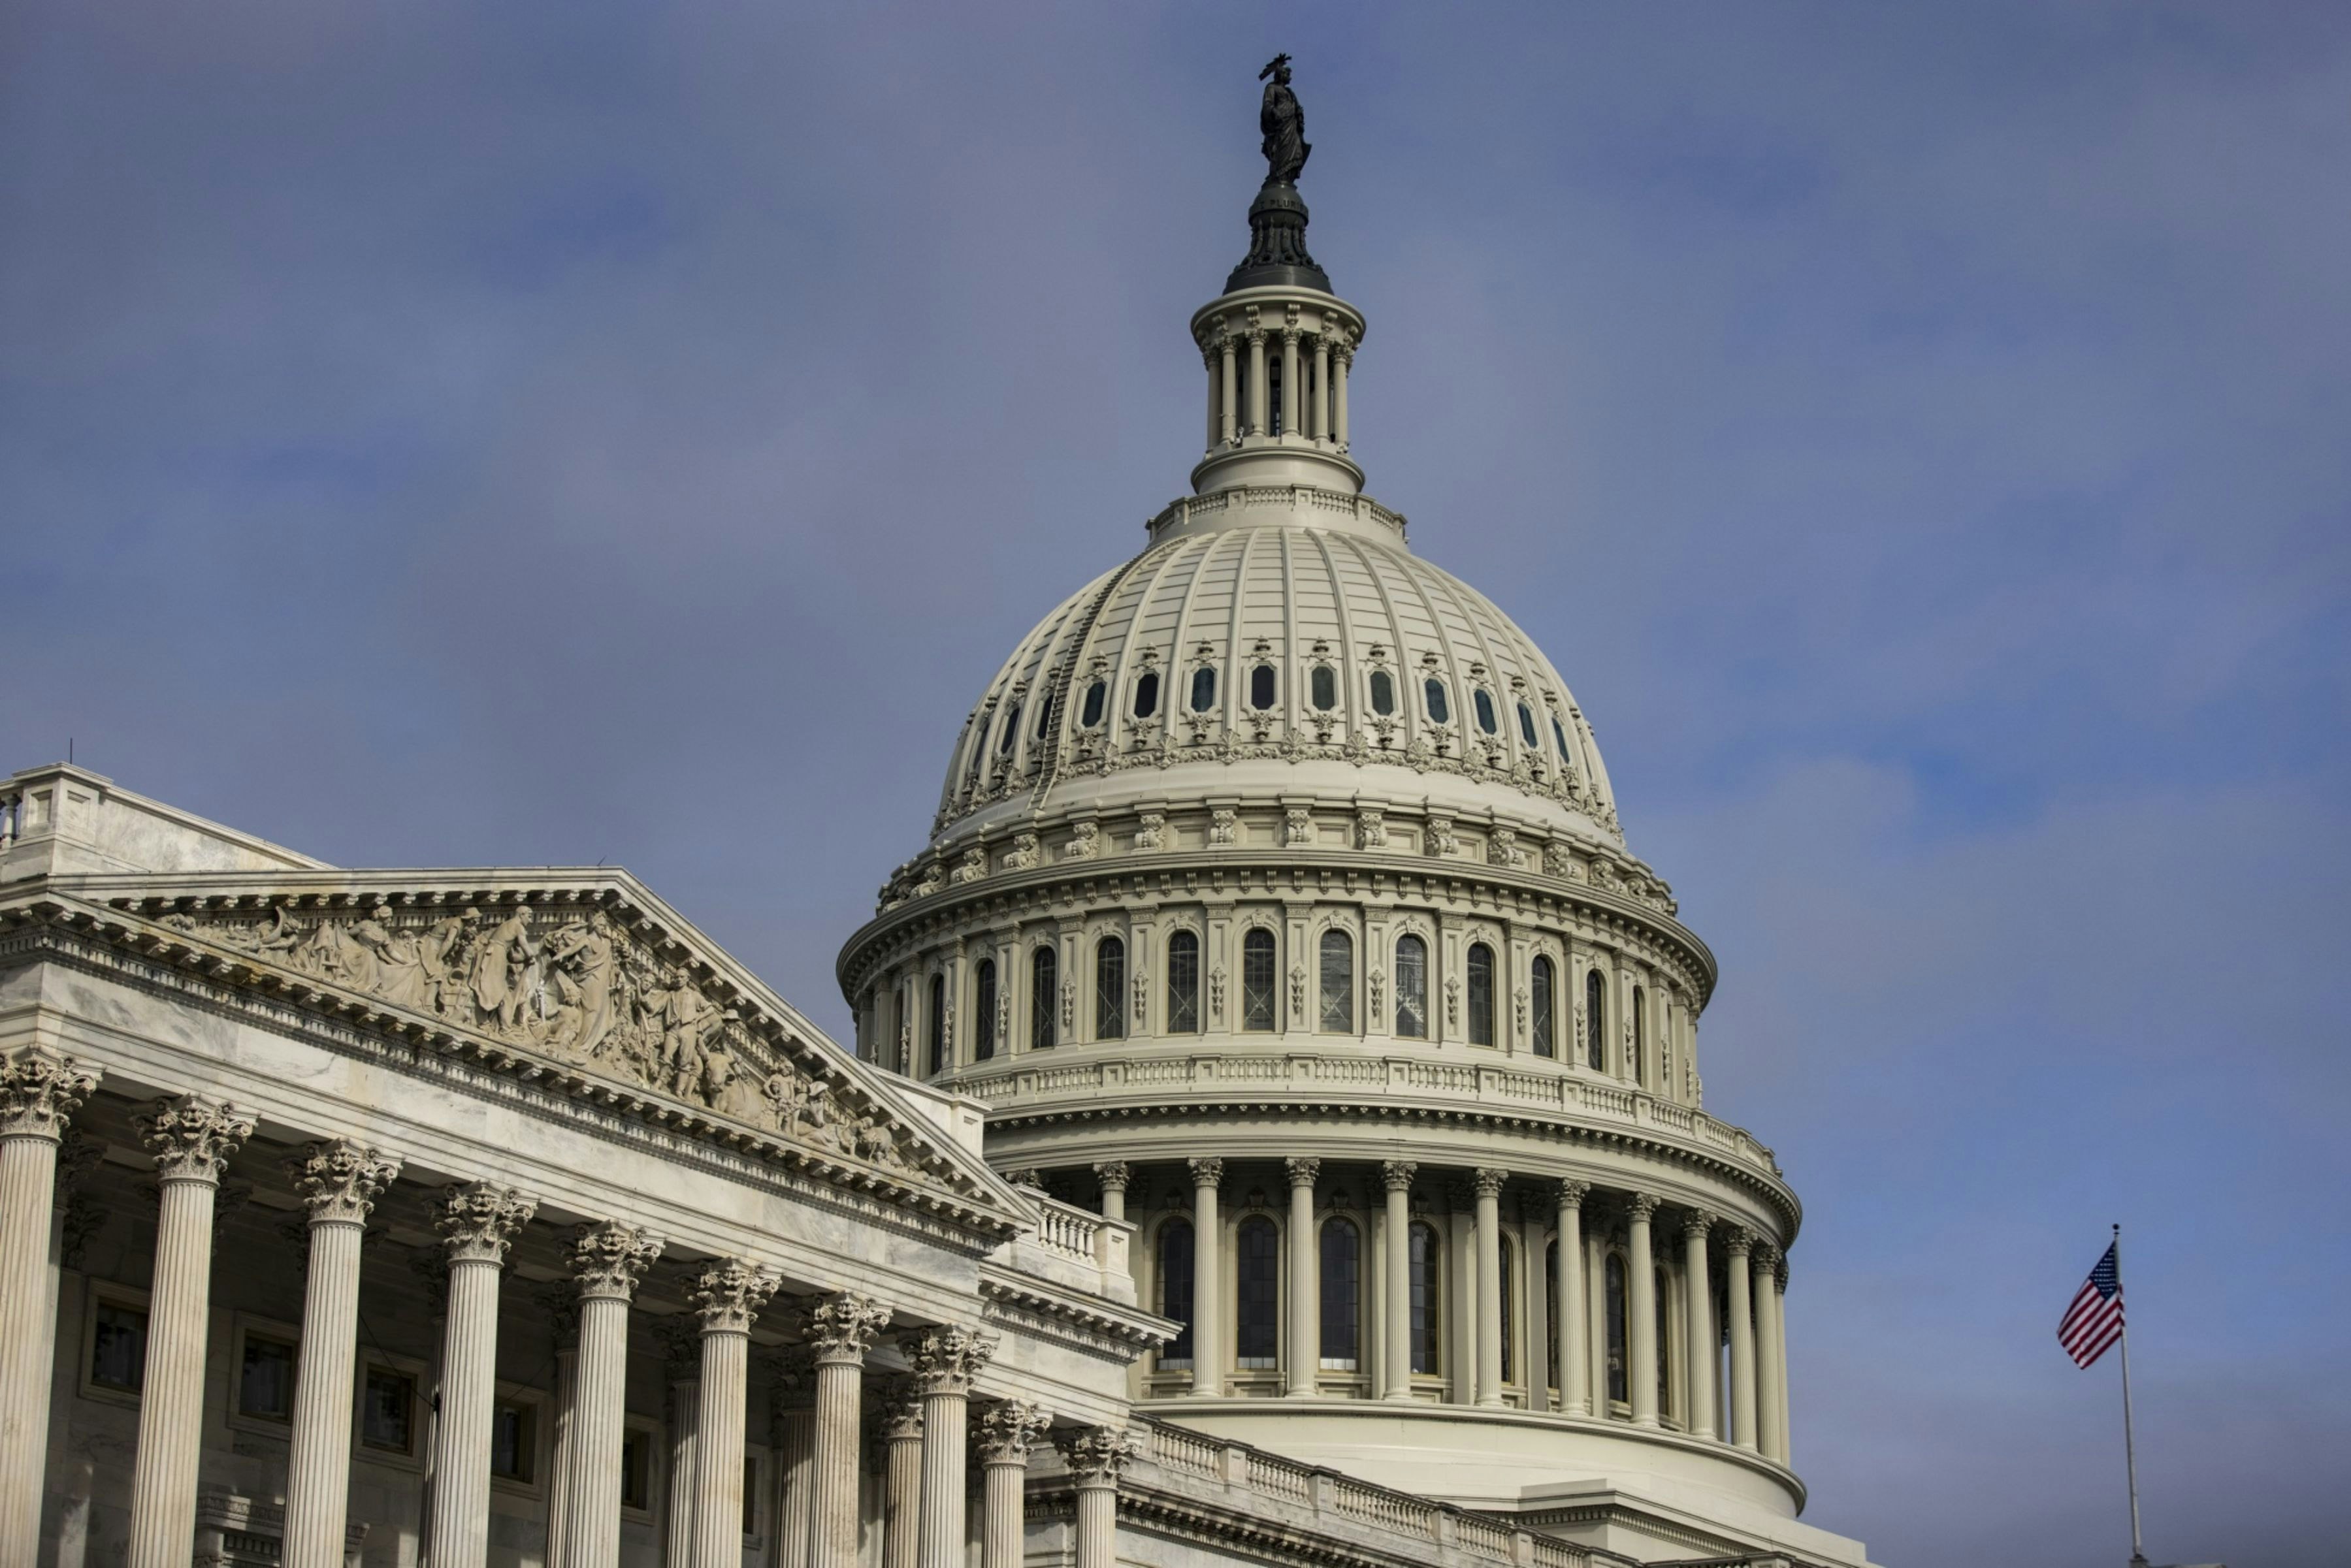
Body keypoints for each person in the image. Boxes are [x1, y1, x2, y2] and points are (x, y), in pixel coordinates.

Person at [1259, 54, 1310, 184]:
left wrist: (1299, 115)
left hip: (1291, 126)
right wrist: (1274, 112)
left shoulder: (1290, 92)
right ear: (1281, 75)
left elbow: (1297, 107)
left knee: (1297, 151)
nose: (1290, 77)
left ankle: (1287, 178)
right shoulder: (1271, 88)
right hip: (1280, 126)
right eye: (1287, 74)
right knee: (1280, 152)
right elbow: (1268, 104)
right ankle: (1278, 177)